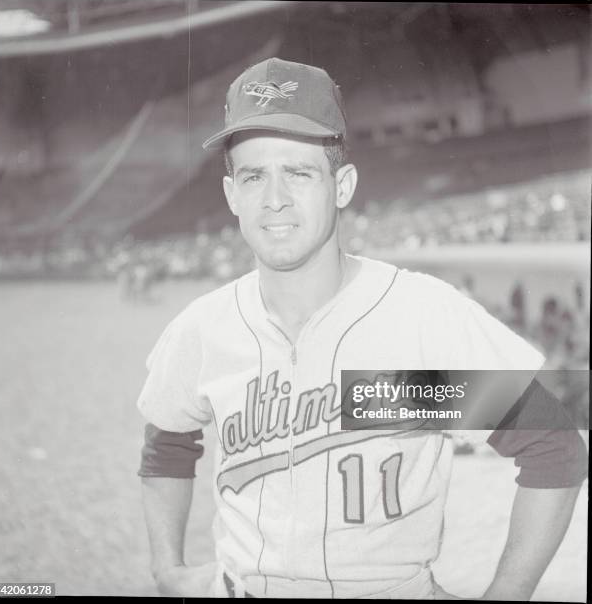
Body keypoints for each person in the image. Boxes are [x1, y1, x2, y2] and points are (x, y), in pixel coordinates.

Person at [137, 58, 587, 599]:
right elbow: (168, 442)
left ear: (343, 185)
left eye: (299, 172)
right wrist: (167, 566)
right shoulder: (204, 329)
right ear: (232, 194)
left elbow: (552, 448)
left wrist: (506, 595)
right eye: (254, 175)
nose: (273, 198)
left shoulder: (416, 317)